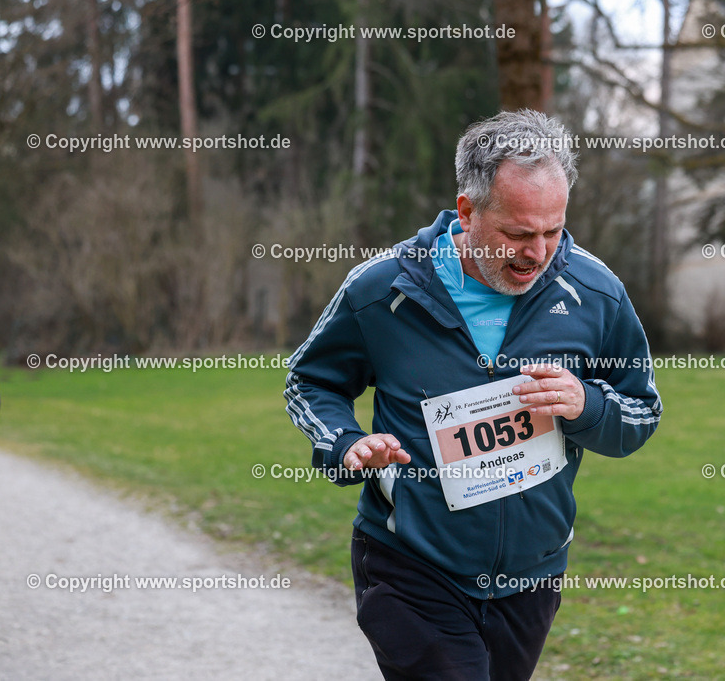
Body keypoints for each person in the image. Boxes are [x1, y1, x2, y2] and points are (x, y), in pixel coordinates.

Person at [284, 109, 662, 680]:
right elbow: (310, 381)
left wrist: (588, 407)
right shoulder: (385, 289)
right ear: (467, 211)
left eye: (552, 230)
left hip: (532, 576)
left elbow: (642, 412)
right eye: (517, 233)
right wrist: (345, 444)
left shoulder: (595, 292)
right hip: (412, 564)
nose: (537, 253)